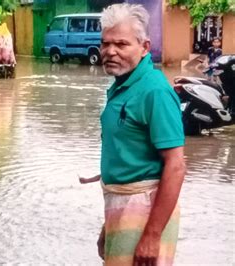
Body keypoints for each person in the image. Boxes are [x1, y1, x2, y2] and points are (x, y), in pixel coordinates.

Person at [83, 3, 186, 265]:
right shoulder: (122, 86)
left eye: (121, 44)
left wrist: (151, 236)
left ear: (145, 47)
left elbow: (175, 166)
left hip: (146, 211)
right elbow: (129, 151)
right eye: (105, 43)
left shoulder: (155, 92)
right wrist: (108, 226)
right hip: (120, 206)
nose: (110, 51)